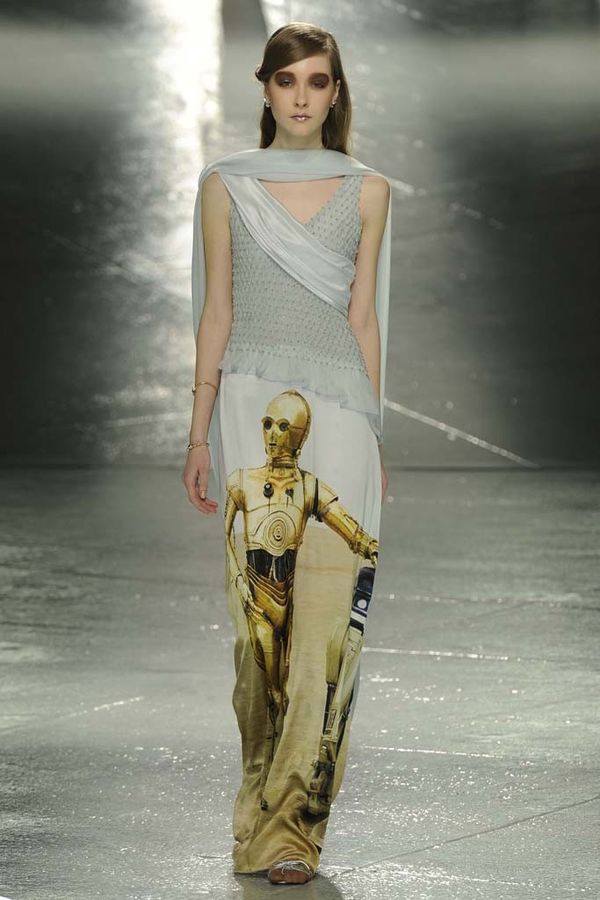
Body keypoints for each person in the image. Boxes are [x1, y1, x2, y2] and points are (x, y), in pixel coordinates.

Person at [182, 21, 392, 886]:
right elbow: (217, 312)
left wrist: (376, 432)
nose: (302, 96)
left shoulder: (369, 190)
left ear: (336, 94)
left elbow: (364, 318)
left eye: (317, 81)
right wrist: (197, 431)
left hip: (342, 415)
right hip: (247, 409)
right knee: (257, 634)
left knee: (328, 637)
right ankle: (256, 816)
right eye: (287, 80)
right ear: (265, 89)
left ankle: (295, 834)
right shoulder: (225, 186)